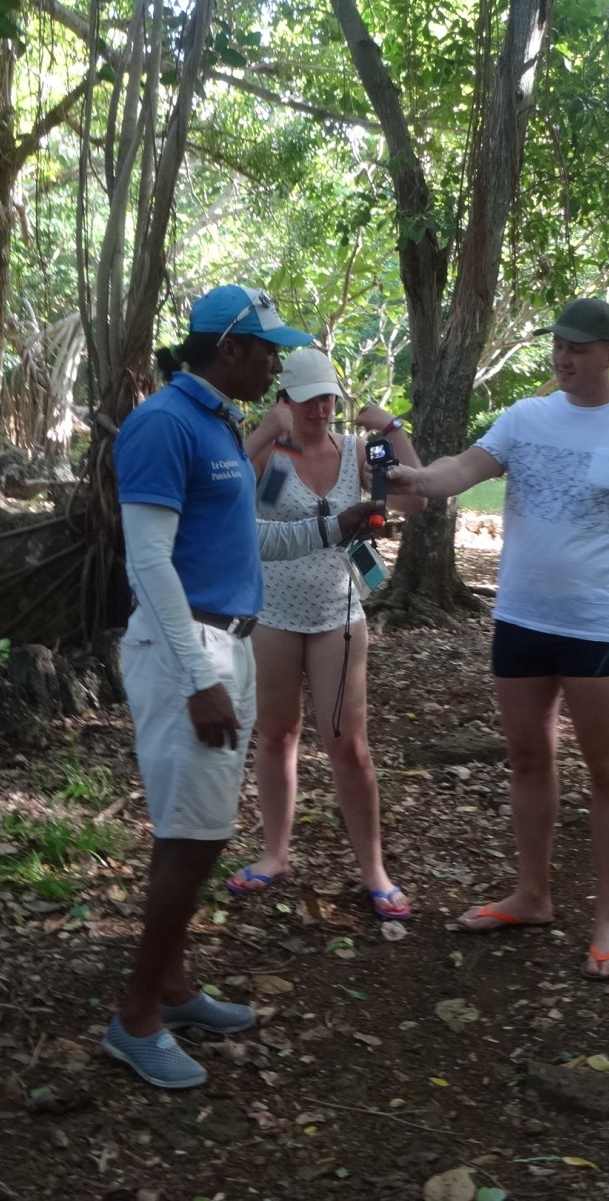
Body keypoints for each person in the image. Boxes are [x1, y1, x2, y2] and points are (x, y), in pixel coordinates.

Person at [387, 297, 609, 980]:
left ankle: (608, 918)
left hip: (596, 627)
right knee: (525, 757)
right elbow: (464, 469)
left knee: (607, 767)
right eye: (559, 346)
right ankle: (533, 893)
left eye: (578, 347)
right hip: (520, 618)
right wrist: (418, 477)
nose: (564, 358)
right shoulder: (527, 417)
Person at [105, 285, 383, 1088]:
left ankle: (173, 985)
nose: (274, 362)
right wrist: (198, 676)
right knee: (189, 838)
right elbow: (148, 559)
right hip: (185, 645)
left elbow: (245, 540)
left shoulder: (217, 424)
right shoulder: (164, 423)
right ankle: (135, 1019)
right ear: (228, 348)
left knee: (199, 832)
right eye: (266, 349)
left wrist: (337, 527)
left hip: (225, 642)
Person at [226, 347, 427, 919]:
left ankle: (374, 871)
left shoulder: (360, 452)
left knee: (348, 745)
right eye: (306, 398)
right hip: (274, 611)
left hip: (338, 612)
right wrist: (267, 430)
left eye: (327, 399)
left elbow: (416, 496)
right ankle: (275, 854)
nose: (318, 409)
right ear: (285, 397)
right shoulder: (269, 453)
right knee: (277, 734)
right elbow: (222, 492)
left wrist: (391, 426)